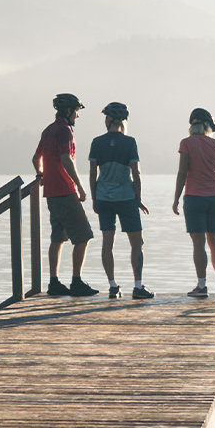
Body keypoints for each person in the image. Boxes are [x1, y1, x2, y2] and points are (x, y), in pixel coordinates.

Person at [32, 92, 97, 296]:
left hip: (51, 194)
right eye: (77, 112)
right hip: (65, 192)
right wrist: (79, 185)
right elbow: (66, 159)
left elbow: (35, 158)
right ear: (68, 111)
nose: (77, 116)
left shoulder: (48, 130)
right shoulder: (65, 131)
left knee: (57, 238)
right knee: (83, 236)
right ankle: (76, 282)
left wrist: (41, 175)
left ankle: (53, 282)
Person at [88, 102, 153, 300]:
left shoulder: (97, 142)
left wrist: (94, 198)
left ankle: (112, 286)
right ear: (123, 121)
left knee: (108, 242)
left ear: (107, 120)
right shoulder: (130, 142)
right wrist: (138, 198)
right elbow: (136, 173)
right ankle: (138, 286)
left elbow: (92, 174)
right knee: (137, 242)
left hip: (103, 198)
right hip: (126, 198)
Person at [172, 106, 215, 298]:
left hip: (194, 198)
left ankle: (201, 286)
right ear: (208, 126)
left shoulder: (186, 144)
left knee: (199, 243)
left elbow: (182, 173)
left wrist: (176, 198)